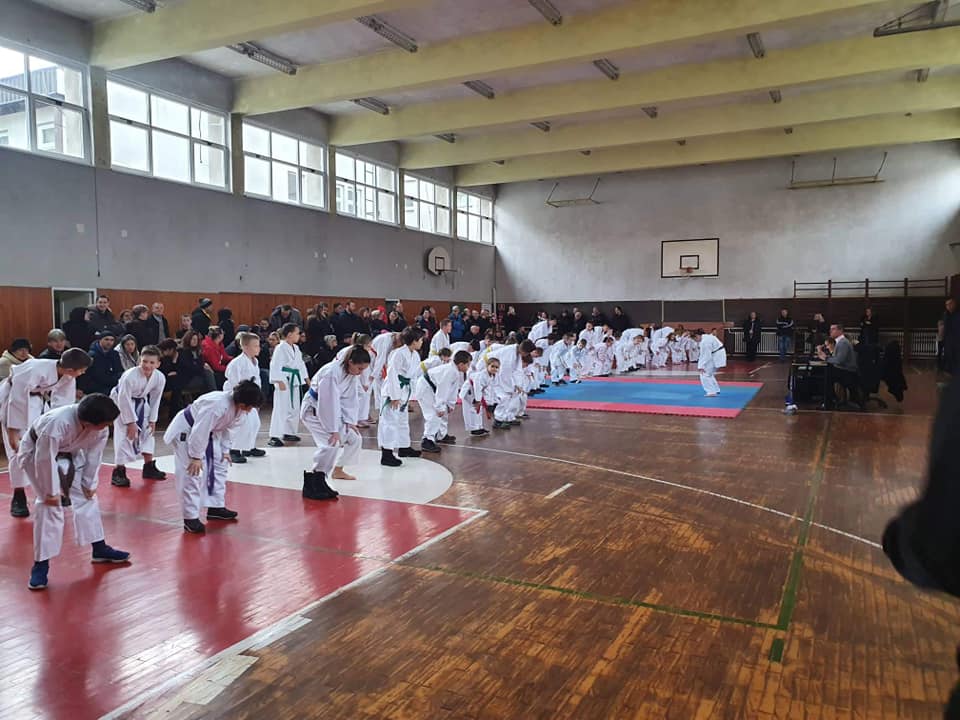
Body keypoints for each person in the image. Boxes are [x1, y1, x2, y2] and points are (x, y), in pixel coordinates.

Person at [21, 394, 130, 591]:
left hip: (70, 454)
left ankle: (99, 548)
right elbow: (44, 458)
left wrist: (89, 482)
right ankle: (40, 566)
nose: (108, 427)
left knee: (88, 497)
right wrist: (51, 491)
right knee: (49, 506)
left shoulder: (99, 429)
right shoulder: (57, 424)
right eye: (105, 424)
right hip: (36, 454)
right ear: (88, 423)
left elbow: (94, 455)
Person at [0, 348, 92, 518]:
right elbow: (17, 400)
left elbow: (63, 405)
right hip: (11, 401)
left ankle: (53, 490)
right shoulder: (34, 369)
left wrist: (63, 429)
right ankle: (18, 496)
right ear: (71, 369)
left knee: (47, 448)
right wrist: (12, 432)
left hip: (37, 402)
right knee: (17, 450)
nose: (83, 373)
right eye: (82, 370)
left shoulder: (67, 375)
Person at [163, 380, 263, 533]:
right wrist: (196, 457)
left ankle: (215, 506)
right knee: (191, 473)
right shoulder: (216, 405)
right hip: (187, 431)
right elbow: (199, 431)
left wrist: (225, 450)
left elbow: (229, 430)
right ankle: (190, 518)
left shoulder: (238, 409)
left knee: (221, 464)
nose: (250, 411)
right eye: (250, 407)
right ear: (242, 403)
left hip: (210, 433)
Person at [300, 346, 372, 500]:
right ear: (350, 362)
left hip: (333, 411)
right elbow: (327, 403)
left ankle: (333, 472)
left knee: (354, 437)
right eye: (359, 368)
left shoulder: (351, 373)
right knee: (331, 443)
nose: (360, 373)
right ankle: (313, 481)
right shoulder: (331, 373)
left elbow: (350, 398)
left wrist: (350, 421)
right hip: (313, 411)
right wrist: (333, 429)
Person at [109, 345, 167, 487]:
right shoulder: (130, 375)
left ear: (158, 364)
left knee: (148, 431)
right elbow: (123, 398)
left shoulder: (159, 377)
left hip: (141, 402)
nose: (147, 365)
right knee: (124, 434)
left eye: (152, 362)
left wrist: (153, 419)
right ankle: (118, 471)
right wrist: (131, 422)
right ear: (139, 360)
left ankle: (148, 467)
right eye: (144, 361)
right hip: (121, 402)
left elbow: (156, 399)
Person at [378, 327, 425, 467]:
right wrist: (394, 396)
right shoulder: (398, 354)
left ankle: (404, 447)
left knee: (403, 420)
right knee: (390, 422)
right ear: (414, 341)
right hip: (393, 390)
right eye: (420, 339)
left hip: (405, 390)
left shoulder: (415, 355)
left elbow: (414, 376)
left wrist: (413, 394)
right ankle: (386, 454)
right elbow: (392, 374)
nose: (422, 342)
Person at [417, 350, 473, 453]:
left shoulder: (454, 370)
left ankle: (441, 435)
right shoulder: (450, 371)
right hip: (426, 388)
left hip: (432, 388)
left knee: (444, 412)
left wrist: (450, 404)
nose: (468, 367)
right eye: (468, 365)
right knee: (434, 414)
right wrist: (439, 407)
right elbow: (442, 390)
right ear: (461, 364)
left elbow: (452, 390)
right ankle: (427, 440)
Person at [223, 331, 266, 464]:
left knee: (254, 423)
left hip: (251, 397)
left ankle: (248, 447)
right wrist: (240, 400)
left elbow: (257, 380)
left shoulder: (255, 361)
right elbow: (234, 382)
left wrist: (256, 398)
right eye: (255, 346)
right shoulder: (237, 363)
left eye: (258, 345)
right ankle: (234, 450)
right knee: (239, 424)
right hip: (239, 398)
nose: (258, 348)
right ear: (245, 347)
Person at [268, 323, 309, 447]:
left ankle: (289, 431)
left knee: (294, 407)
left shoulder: (296, 348)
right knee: (281, 408)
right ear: (290, 334)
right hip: (284, 380)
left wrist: (307, 379)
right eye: (297, 333)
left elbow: (301, 364)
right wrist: (279, 380)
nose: (299, 335)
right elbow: (275, 365)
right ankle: (275, 435)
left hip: (294, 380)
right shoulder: (280, 348)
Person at [817, 324, 859, 409]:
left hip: (848, 372)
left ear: (840, 331)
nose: (830, 331)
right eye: (830, 329)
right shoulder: (840, 342)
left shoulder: (843, 342)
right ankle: (831, 399)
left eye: (833, 329)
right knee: (826, 370)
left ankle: (829, 402)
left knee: (827, 372)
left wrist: (826, 358)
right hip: (845, 370)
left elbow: (839, 361)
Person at [460, 356, 499, 436]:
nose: (494, 369)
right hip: (469, 390)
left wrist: (491, 402)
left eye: (496, 367)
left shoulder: (492, 376)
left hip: (477, 392)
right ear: (487, 366)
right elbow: (477, 387)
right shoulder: (481, 375)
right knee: (472, 410)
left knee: (479, 410)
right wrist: (478, 400)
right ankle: (474, 429)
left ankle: (479, 427)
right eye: (492, 366)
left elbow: (490, 390)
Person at [81, 332, 123, 396]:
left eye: (112, 340)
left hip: (112, 385)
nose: (109, 342)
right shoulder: (92, 355)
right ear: (100, 340)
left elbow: (119, 370)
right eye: (106, 339)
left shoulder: (115, 354)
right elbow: (96, 375)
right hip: (96, 388)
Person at [697, 328, 726, 397]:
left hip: (716, 355)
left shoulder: (705, 341)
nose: (696, 340)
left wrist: (701, 366)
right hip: (717, 354)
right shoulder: (708, 337)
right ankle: (716, 389)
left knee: (704, 373)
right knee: (709, 373)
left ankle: (711, 392)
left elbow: (706, 355)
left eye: (695, 339)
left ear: (697, 336)